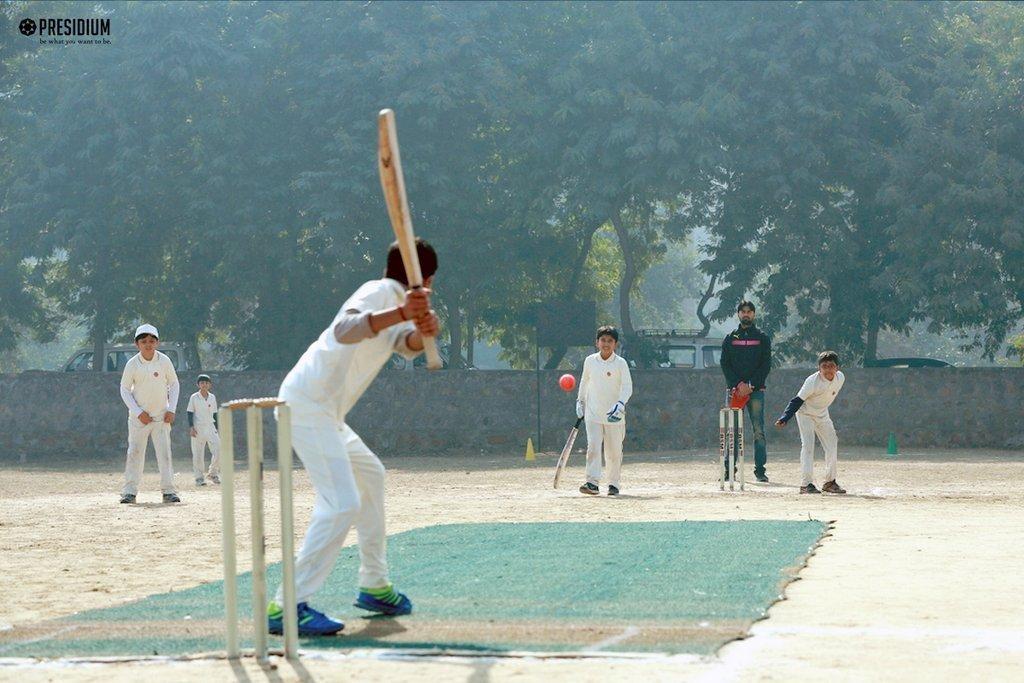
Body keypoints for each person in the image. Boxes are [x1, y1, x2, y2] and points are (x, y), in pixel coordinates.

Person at [267, 239, 440, 636]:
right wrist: (402, 312)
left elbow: (404, 346)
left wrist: (424, 330)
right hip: (307, 404)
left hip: (326, 412)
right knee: (341, 504)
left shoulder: (396, 301)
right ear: (428, 278)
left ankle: (375, 586)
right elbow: (345, 329)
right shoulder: (377, 292)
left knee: (371, 475)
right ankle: (286, 605)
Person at [118, 324, 180, 504]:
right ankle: (129, 491)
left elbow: (174, 384)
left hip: (161, 417)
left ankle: (168, 491)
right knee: (135, 453)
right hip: (139, 419)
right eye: (144, 341)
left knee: (164, 453)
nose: (148, 345)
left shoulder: (164, 361)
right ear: (137, 344)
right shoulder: (132, 364)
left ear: (157, 343)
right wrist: (138, 412)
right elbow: (124, 389)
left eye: (152, 341)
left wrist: (171, 409)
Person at [775, 351, 847, 494]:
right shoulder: (812, 381)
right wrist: (784, 417)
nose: (828, 369)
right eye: (824, 366)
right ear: (819, 369)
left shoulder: (841, 378)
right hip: (805, 413)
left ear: (837, 368)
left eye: (831, 366)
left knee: (832, 444)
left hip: (822, 414)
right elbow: (797, 400)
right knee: (808, 446)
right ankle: (806, 484)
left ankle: (829, 482)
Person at [576, 325, 633, 496]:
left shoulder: (620, 363)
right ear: (597, 342)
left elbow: (627, 387)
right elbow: (584, 382)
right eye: (603, 340)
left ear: (615, 344)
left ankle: (613, 484)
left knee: (614, 451)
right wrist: (580, 401)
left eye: (610, 341)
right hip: (593, 413)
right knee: (593, 447)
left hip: (614, 415)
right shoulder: (590, 361)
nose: (606, 344)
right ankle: (592, 483)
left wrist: (621, 404)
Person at [720, 301, 772, 482]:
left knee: (758, 430)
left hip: (756, 391)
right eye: (743, 312)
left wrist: (750, 384)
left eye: (749, 312)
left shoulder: (762, 338)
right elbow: (725, 365)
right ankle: (729, 470)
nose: (746, 315)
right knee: (732, 431)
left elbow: (766, 365)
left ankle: (760, 471)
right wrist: (737, 385)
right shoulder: (730, 338)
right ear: (738, 314)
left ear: (754, 314)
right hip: (735, 391)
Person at [187, 374, 220, 486]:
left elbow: (215, 414)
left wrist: (217, 428)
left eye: (206, 383)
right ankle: (199, 478)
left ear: (209, 385)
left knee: (218, 450)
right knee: (198, 454)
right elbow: (190, 412)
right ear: (198, 385)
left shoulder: (212, 397)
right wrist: (191, 427)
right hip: (198, 428)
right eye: (202, 383)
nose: (204, 385)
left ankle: (213, 473)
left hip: (211, 426)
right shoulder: (194, 397)